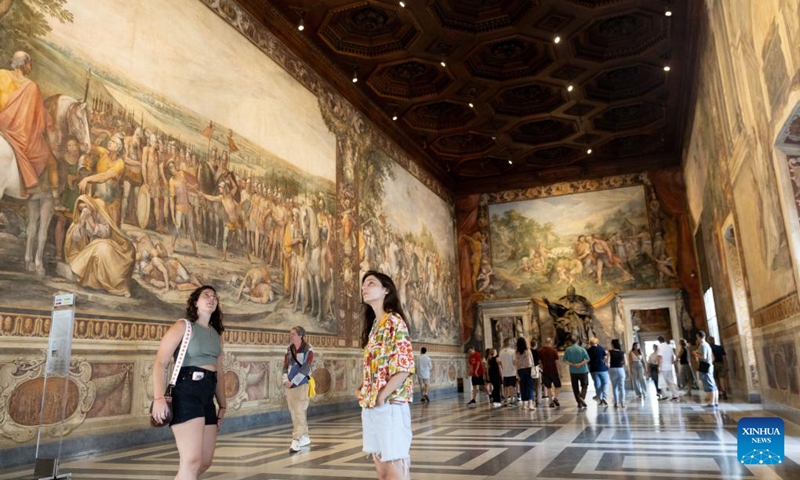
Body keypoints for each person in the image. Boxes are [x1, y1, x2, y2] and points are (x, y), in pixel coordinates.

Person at [151, 285, 226, 480]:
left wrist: (223, 404)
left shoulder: (216, 336)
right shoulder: (183, 326)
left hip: (207, 397)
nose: (211, 298)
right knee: (191, 460)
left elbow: (219, 373)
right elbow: (160, 363)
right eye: (206, 295)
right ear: (195, 302)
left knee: (204, 461)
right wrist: (159, 398)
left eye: (214, 296)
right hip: (186, 393)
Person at [358, 271, 414, 480]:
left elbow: (404, 366)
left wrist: (382, 396)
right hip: (373, 405)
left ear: (386, 290)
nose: (364, 288)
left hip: (391, 404)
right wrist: (362, 387)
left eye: (371, 283)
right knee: (381, 470)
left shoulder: (395, 322)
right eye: (363, 285)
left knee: (394, 469)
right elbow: (377, 365)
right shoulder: (375, 326)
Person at [0, 51, 58, 191]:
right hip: (19, 134)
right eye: (30, 63)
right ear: (24, 64)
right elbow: (38, 117)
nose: (31, 67)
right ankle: (49, 195)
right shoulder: (31, 86)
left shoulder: (1, 74)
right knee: (48, 157)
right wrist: (50, 121)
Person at [64, 195, 135, 297]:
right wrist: (81, 223)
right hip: (94, 245)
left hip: (108, 242)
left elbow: (107, 233)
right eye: (81, 209)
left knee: (103, 249)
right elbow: (76, 238)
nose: (84, 210)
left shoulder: (100, 211)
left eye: (85, 207)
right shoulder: (82, 218)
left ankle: (117, 285)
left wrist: (92, 223)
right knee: (100, 249)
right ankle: (102, 284)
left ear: (90, 204)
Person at [283, 325, 314, 453]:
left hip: (301, 385)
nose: (291, 336)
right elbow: (285, 366)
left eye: (293, 334)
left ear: (300, 336)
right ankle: (305, 436)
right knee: (293, 411)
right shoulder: (288, 349)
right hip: (289, 385)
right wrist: (285, 380)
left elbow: (306, 368)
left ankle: (296, 440)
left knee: (299, 412)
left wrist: (294, 382)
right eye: (290, 334)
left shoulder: (308, 349)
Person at [562, 335, 590, 410]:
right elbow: (587, 359)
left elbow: (565, 360)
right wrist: (580, 364)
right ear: (577, 341)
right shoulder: (582, 349)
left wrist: (573, 364)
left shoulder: (568, 350)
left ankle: (579, 403)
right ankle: (582, 397)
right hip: (583, 370)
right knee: (585, 385)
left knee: (575, 387)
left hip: (573, 371)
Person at [693, 330, 719, 408]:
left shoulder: (702, 345)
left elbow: (703, 357)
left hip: (705, 366)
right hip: (709, 365)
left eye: (697, 337)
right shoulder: (707, 344)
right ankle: (715, 401)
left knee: (709, 385)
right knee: (713, 384)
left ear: (698, 337)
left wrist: (695, 354)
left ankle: (711, 402)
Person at [514, 337, 536, 411]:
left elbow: (516, 363)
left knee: (522, 387)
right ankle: (530, 404)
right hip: (528, 369)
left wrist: (517, 373)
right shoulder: (528, 350)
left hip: (520, 370)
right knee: (529, 386)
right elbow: (532, 360)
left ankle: (524, 404)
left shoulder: (516, 352)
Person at [586, 337, 610, 407]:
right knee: (605, 382)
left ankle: (600, 398)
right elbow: (605, 357)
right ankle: (605, 397)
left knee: (597, 384)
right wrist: (607, 363)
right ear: (597, 342)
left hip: (593, 369)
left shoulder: (588, 350)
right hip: (602, 368)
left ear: (590, 343)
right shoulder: (601, 349)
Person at [539, 337, 561, 408]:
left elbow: (540, 362)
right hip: (554, 371)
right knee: (557, 386)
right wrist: (559, 372)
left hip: (545, 371)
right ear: (551, 342)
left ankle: (551, 401)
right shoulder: (553, 351)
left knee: (548, 387)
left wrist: (542, 368)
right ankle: (556, 398)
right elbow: (557, 362)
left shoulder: (541, 351)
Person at [657, 336, 680, 401]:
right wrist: (671, 363)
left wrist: (659, 366)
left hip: (663, 366)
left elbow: (660, 357)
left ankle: (664, 395)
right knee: (671, 381)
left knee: (662, 381)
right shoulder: (669, 346)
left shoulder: (660, 346)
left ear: (659, 341)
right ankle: (675, 394)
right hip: (669, 366)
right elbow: (672, 356)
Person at [498, 338, 517, 406]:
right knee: (511, 386)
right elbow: (514, 362)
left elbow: (499, 362)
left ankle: (505, 400)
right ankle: (511, 400)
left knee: (505, 387)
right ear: (509, 343)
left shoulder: (501, 352)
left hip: (505, 372)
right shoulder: (513, 351)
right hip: (512, 371)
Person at [608, 339, 626, 409]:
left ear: (612, 344)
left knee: (614, 387)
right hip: (620, 369)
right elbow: (625, 363)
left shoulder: (610, 352)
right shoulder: (622, 352)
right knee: (622, 387)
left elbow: (607, 361)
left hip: (612, 369)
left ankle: (616, 402)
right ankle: (623, 402)